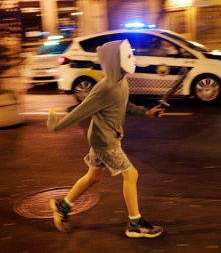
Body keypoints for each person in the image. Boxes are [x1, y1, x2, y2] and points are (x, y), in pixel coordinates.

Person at [47, 39, 165, 238]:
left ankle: (63, 207)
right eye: (128, 55)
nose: (133, 59)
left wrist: (147, 112)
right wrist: (55, 125)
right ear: (114, 60)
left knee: (94, 176)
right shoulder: (105, 88)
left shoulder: (121, 81)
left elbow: (125, 106)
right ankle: (135, 224)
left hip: (105, 136)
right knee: (131, 175)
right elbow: (80, 111)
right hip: (105, 141)